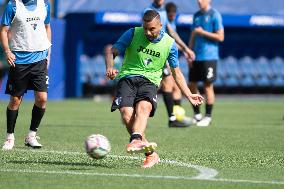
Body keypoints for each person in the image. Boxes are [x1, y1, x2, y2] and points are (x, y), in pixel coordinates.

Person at [105, 10, 204, 168]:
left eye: (152, 29)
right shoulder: (132, 33)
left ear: (160, 26)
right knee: (126, 115)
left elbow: (176, 73)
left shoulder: (170, 44)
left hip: (150, 81)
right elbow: (113, 51)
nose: (148, 32)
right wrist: (110, 67)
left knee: (144, 108)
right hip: (128, 78)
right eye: (145, 28)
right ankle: (151, 154)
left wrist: (189, 94)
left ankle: (136, 138)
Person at [1, 0, 52, 150]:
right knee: (15, 100)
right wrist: (7, 51)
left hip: (40, 59)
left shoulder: (45, 4)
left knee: (42, 98)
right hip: (20, 60)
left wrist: (48, 52)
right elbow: (4, 30)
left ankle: (31, 135)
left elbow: (47, 27)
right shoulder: (13, 5)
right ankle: (10, 137)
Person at [145, 0, 196, 128]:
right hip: (154, 53)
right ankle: (140, 111)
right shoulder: (149, 12)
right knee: (154, 84)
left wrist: (185, 49)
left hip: (164, 53)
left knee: (168, 83)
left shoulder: (163, 12)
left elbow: (171, 32)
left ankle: (173, 117)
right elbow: (146, 33)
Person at [188, 0, 224, 127]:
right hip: (196, 56)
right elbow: (193, 34)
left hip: (209, 56)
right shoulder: (196, 15)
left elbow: (221, 37)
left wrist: (203, 32)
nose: (199, 1)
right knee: (191, 84)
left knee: (207, 86)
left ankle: (208, 117)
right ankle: (197, 115)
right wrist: (189, 51)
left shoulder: (215, 15)